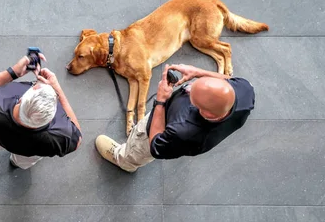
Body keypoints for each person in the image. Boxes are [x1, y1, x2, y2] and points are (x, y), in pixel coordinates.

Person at [95, 63, 256, 172]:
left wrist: (161, 100)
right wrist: (198, 72)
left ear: (206, 113)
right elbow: (229, 80)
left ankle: (125, 160)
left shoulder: (183, 131)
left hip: (162, 125)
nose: (188, 88)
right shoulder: (245, 91)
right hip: (184, 138)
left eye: (191, 95)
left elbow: (156, 145)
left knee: (140, 146)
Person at [0, 52, 82, 169]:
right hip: (33, 149)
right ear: (51, 117)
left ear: (20, 99)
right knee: (28, 158)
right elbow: (77, 140)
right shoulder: (62, 136)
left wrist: (14, 72)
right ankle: (17, 163)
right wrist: (57, 89)